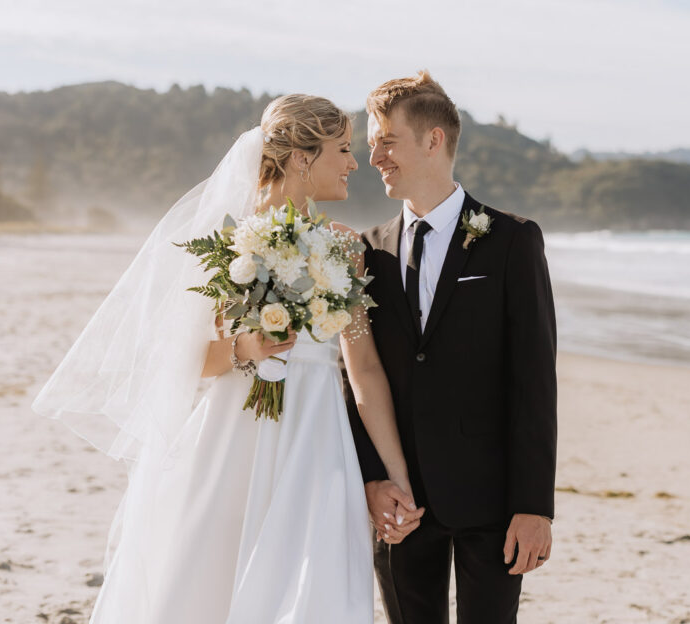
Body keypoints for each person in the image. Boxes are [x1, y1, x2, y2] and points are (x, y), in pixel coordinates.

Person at [33, 94, 418, 624]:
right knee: (208, 580)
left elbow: (364, 371)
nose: (354, 164)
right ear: (303, 158)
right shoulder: (232, 242)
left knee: (318, 584)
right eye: (343, 150)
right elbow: (187, 360)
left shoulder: (346, 247)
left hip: (317, 441)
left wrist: (396, 476)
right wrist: (247, 347)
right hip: (234, 434)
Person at [347, 71, 558, 624]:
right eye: (371, 145)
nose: (375, 158)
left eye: (386, 142)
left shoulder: (512, 241)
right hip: (400, 503)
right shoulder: (364, 253)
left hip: (490, 502)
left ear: (433, 140)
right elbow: (354, 375)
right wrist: (373, 479)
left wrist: (534, 506)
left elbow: (534, 380)